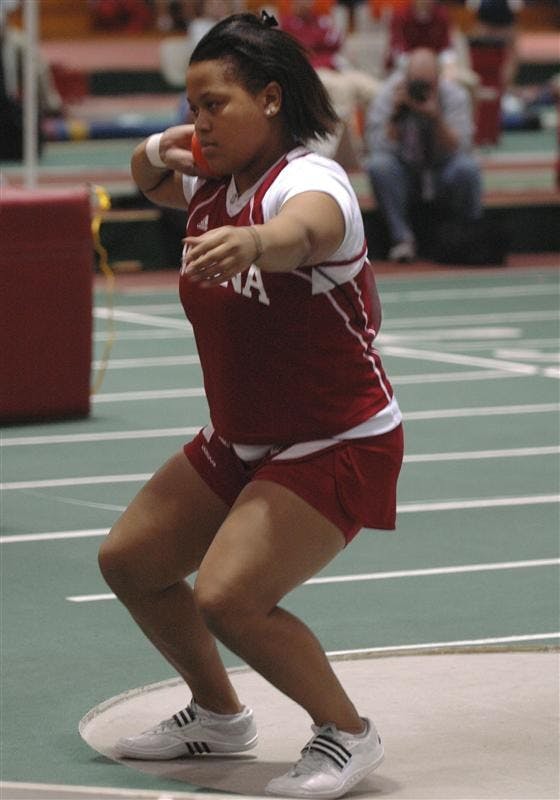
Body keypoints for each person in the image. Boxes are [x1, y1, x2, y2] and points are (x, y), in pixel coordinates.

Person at [97, 11, 403, 799]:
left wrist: (258, 243)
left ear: (271, 98)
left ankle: (347, 733)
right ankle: (218, 715)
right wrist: (155, 147)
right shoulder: (211, 177)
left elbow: (310, 230)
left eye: (213, 103)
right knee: (131, 561)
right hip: (242, 433)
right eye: (191, 105)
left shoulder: (309, 181)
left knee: (230, 597)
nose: (199, 120)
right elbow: (150, 175)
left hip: (336, 438)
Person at [366, 47, 482, 262]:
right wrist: (396, 116)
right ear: (406, 78)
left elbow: (462, 146)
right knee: (379, 166)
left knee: (468, 168)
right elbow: (376, 145)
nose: (420, 90)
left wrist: (436, 117)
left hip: (442, 169)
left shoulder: (454, 95)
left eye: (427, 84)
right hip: (405, 170)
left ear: (438, 79)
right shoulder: (390, 93)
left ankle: (469, 236)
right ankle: (402, 239)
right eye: (415, 83)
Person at [280, 0, 379, 165]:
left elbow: (336, 43)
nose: (306, 4)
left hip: (337, 69)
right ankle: (323, 155)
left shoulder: (322, 20)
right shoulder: (287, 24)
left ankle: (376, 147)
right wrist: (320, 49)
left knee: (376, 90)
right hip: (312, 73)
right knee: (342, 89)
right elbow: (302, 52)